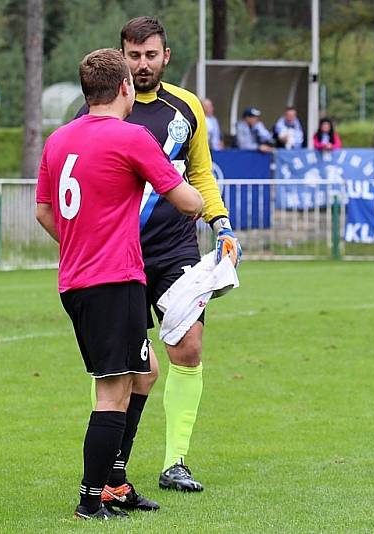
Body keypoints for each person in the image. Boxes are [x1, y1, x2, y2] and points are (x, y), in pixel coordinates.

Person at [74, 16, 241, 503]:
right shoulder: (103, 109)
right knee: (120, 366)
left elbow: (202, 175)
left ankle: (175, 461)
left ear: (166, 56)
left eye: (151, 55)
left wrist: (221, 223)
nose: (142, 64)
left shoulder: (185, 107)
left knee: (186, 349)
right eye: (134, 55)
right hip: (118, 255)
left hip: (175, 250)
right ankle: (108, 471)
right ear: (121, 58)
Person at [35, 49, 203, 520]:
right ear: (126, 87)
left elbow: (44, 211)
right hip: (114, 280)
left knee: (144, 373)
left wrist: (80, 240)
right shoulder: (132, 137)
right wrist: (203, 198)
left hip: (78, 279)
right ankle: (92, 500)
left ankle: (115, 482)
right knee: (112, 391)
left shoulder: (58, 139)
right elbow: (187, 201)